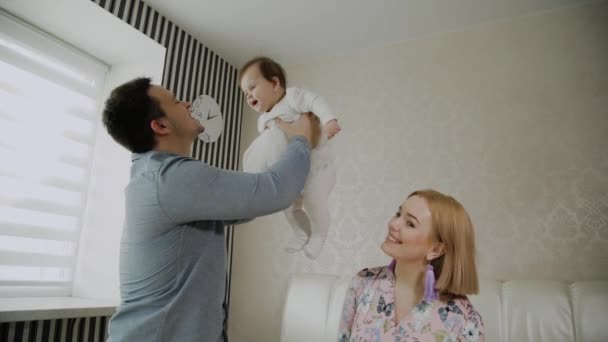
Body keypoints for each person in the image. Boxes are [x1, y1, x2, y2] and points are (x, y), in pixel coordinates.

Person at [101, 77, 320, 342]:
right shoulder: (169, 177)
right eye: (175, 101)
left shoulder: (156, 175)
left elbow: (246, 205)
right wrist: (301, 139)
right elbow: (274, 192)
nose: (187, 102)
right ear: (160, 125)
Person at [339, 189, 484, 341]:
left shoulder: (464, 319)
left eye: (410, 223)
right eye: (398, 214)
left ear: (436, 249)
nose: (393, 224)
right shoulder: (363, 283)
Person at [239, 56, 341, 259]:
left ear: (275, 83)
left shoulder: (292, 97)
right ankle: (301, 232)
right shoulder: (263, 120)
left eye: (252, 87)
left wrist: (329, 119)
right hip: (296, 174)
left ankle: (319, 235)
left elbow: (315, 100)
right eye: (245, 93)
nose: (249, 95)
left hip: (319, 169)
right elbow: (272, 148)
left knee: (314, 201)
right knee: (288, 206)